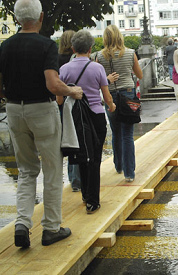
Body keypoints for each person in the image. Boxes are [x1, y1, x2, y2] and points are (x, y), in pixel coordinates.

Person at [0, 0, 83, 248]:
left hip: (14, 109)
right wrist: (72, 91)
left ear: (15, 18)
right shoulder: (46, 45)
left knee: (25, 170)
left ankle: (22, 225)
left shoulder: (4, 46)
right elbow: (52, 83)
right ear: (41, 16)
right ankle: (50, 228)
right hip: (42, 110)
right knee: (52, 169)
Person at [58, 30, 116, 214]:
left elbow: (59, 100)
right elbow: (106, 97)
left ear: (73, 48)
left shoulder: (64, 69)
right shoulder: (97, 68)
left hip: (75, 118)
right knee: (95, 158)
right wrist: (112, 106)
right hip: (96, 116)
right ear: (91, 48)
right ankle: (93, 201)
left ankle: (84, 194)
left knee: (81, 155)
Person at [96, 24, 143, 183]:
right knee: (127, 134)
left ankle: (118, 165)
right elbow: (140, 75)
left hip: (110, 96)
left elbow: (98, 78)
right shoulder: (130, 53)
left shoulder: (100, 56)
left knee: (116, 132)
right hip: (128, 94)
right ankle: (129, 173)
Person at [57, 30, 82, 193]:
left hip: (60, 104)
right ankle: (77, 180)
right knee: (77, 139)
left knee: (65, 140)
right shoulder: (76, 60)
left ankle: (71, 178)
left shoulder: (56, 59)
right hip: (75, 102)